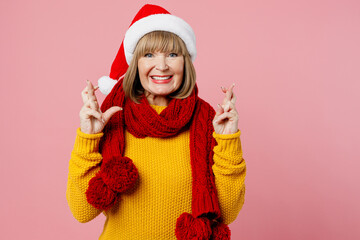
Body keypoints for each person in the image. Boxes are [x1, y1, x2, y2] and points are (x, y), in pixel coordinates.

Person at [66, 4, 246, 240]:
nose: (161, 66)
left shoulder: (207, 120)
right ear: (136, 63)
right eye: (149, 54)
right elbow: (82, 211)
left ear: (185, 63)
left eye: (172, 54)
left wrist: (228, 141)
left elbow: (228, 213)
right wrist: (88, 138)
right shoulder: (112, 117)